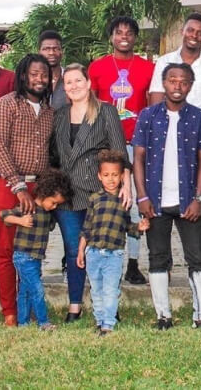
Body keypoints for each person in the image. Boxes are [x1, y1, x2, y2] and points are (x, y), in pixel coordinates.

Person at [134, 63, 201, 330]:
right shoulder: (147, 116)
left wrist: (199, 198)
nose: (177, 86)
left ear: (190, 86)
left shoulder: (200, 117)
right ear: (164, 83)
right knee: (158, 257)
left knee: (197, 257)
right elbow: (138, 159)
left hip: (188, 201)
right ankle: (163, 316)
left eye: (183, 81)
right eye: (172, 80)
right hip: (155, 201)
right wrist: (142, 197)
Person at [50, 63, 131, 323]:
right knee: (74, 251)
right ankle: (75, 304)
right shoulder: (59, 115)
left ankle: (109, 306)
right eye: (68, 82)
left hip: (99, 195)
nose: (73, 86)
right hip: (68, 196)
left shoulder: (106, 111)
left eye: (78, 81)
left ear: (88, 83)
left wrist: (125, 186)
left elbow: (120, 153)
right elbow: (56, 156)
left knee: (103, 250)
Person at [149, 13, 201, 286]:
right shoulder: (164, 62)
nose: (195, 34)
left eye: (200, 32)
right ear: (183, 31)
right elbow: (156, 101)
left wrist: (195, 134)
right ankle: (164, 265)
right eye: (191, 29)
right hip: (166, 146)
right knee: (164, 205)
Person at [0, 54, 54, 326]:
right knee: (6, 250)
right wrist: (19, 188)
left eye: (44, 75)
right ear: (23, 75)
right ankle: (10, 313)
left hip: (38, 187)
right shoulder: (5, 105)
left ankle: (25, 307)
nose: (39, 79)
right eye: (34, 73)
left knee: (29, 252)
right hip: (9, 185)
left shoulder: (50, 111)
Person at [88, 16, 154, 286]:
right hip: (105, 148)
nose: (124, 36)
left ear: (135, 38)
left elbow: (151, 107)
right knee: (106, 204)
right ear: (111, 37)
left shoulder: (148, 68)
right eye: (118, 32)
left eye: (129, 32)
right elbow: (90, 107)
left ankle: (134, 263)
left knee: (136, 205)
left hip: (136, 145)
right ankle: (103, 259)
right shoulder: (98, 67)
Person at [78, 150, 148, 336]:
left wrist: (139, 227)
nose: (111, 179)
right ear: (99, 176)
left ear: (122, 177)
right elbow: (87, 228)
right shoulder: (94, 199)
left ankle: (108, 324)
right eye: (107, 175)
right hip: (93, 252)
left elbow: (127, 226)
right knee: (96, 289)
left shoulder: (123, 200)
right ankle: (99, 320)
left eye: (115, 175)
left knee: (110, 289)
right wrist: (81, 251)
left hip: (114, 254)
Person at [0, 169, 72, 330]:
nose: (54, 206)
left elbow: (51, 225)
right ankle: (43, 322)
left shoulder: (48, 214)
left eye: (57, 205)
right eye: (53, 202)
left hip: (36, 258)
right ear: (45, 193)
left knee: (25, 291)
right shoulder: (28, 207)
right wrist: (20, 220)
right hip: (23, 256)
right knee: (37, 290)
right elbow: (4, 215)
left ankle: (23, 322)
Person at [38, 30, 68, 110]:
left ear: (62, 51)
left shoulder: (71, 78)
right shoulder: (31, 81)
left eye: (56, 48)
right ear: (39, 52)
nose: (51, 53)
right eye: (46, 49)